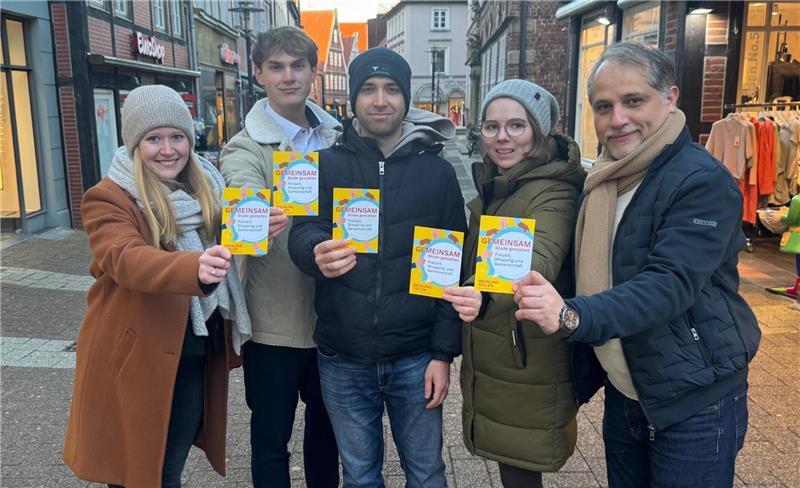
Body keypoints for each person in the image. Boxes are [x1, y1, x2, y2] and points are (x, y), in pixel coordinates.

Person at [512, 42, 761, 487]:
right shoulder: (604, 177)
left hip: (693, 398)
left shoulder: (701, 182)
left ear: (670, 98)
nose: (617, 119)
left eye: (633, 101)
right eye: (603, 107)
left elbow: (669, 283)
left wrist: (572, 315)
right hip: (627, 391)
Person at [288, 47, 467, 487]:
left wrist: (442, 354)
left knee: (426, 474)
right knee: (360, 476)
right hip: (343, 355)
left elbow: (452, 272)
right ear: (353, 98)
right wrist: (315, 251)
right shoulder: (324, 165)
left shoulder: (438, 174)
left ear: (406, 98)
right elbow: (302, 231)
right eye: (368, 89)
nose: (380, 100)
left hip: (416, 355)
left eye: (391, 89)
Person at [63, 85, 253, 487]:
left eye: (177, 137)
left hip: (192, 354)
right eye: (153, 139)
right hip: (135, 358)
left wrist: (254, 228)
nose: (168, 150)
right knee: (135, 472)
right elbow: (125, 258)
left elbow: (221, 242)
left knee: (168, 468)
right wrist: (193, 268)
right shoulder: (108, 197)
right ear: (135, 144)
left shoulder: (208, 188)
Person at [441, 80, 586, 488]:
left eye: (516, 126)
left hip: (526, 354)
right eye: (491, 126)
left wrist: (482, 292)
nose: (502, 137)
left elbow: (539, 257)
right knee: (514, 465)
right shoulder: (505, 184)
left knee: (520, 469)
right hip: (505, 349)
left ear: (539, 131)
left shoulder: (553, 190)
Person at [219, 26, 340, 488]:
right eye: (276, 67)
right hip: (274, 321)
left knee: (327, 437)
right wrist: (252, 213)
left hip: (335, 317)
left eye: (297, 65)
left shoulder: (338, 137)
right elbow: (241, 186)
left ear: (313, 71)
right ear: (259, 74)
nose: (288, 76)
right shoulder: (245, 146)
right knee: (271, 440)